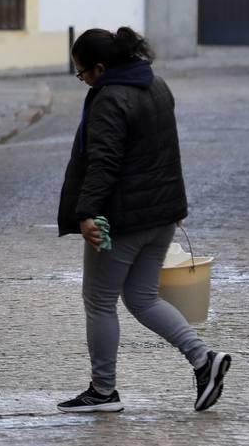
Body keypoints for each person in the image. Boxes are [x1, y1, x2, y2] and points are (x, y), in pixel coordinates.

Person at [56, 27, 231, 414]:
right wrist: (175, 204)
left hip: (121, 220)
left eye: (82, 73)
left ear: (100, 68)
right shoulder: (157, 85)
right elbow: (168, 151)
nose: (82, 80)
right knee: (141, 298)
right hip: (162, 214)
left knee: (99, 301)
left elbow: (104, 162)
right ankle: (204, 361)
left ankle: (103, 392)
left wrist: (86, 214)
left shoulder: (109, 99)